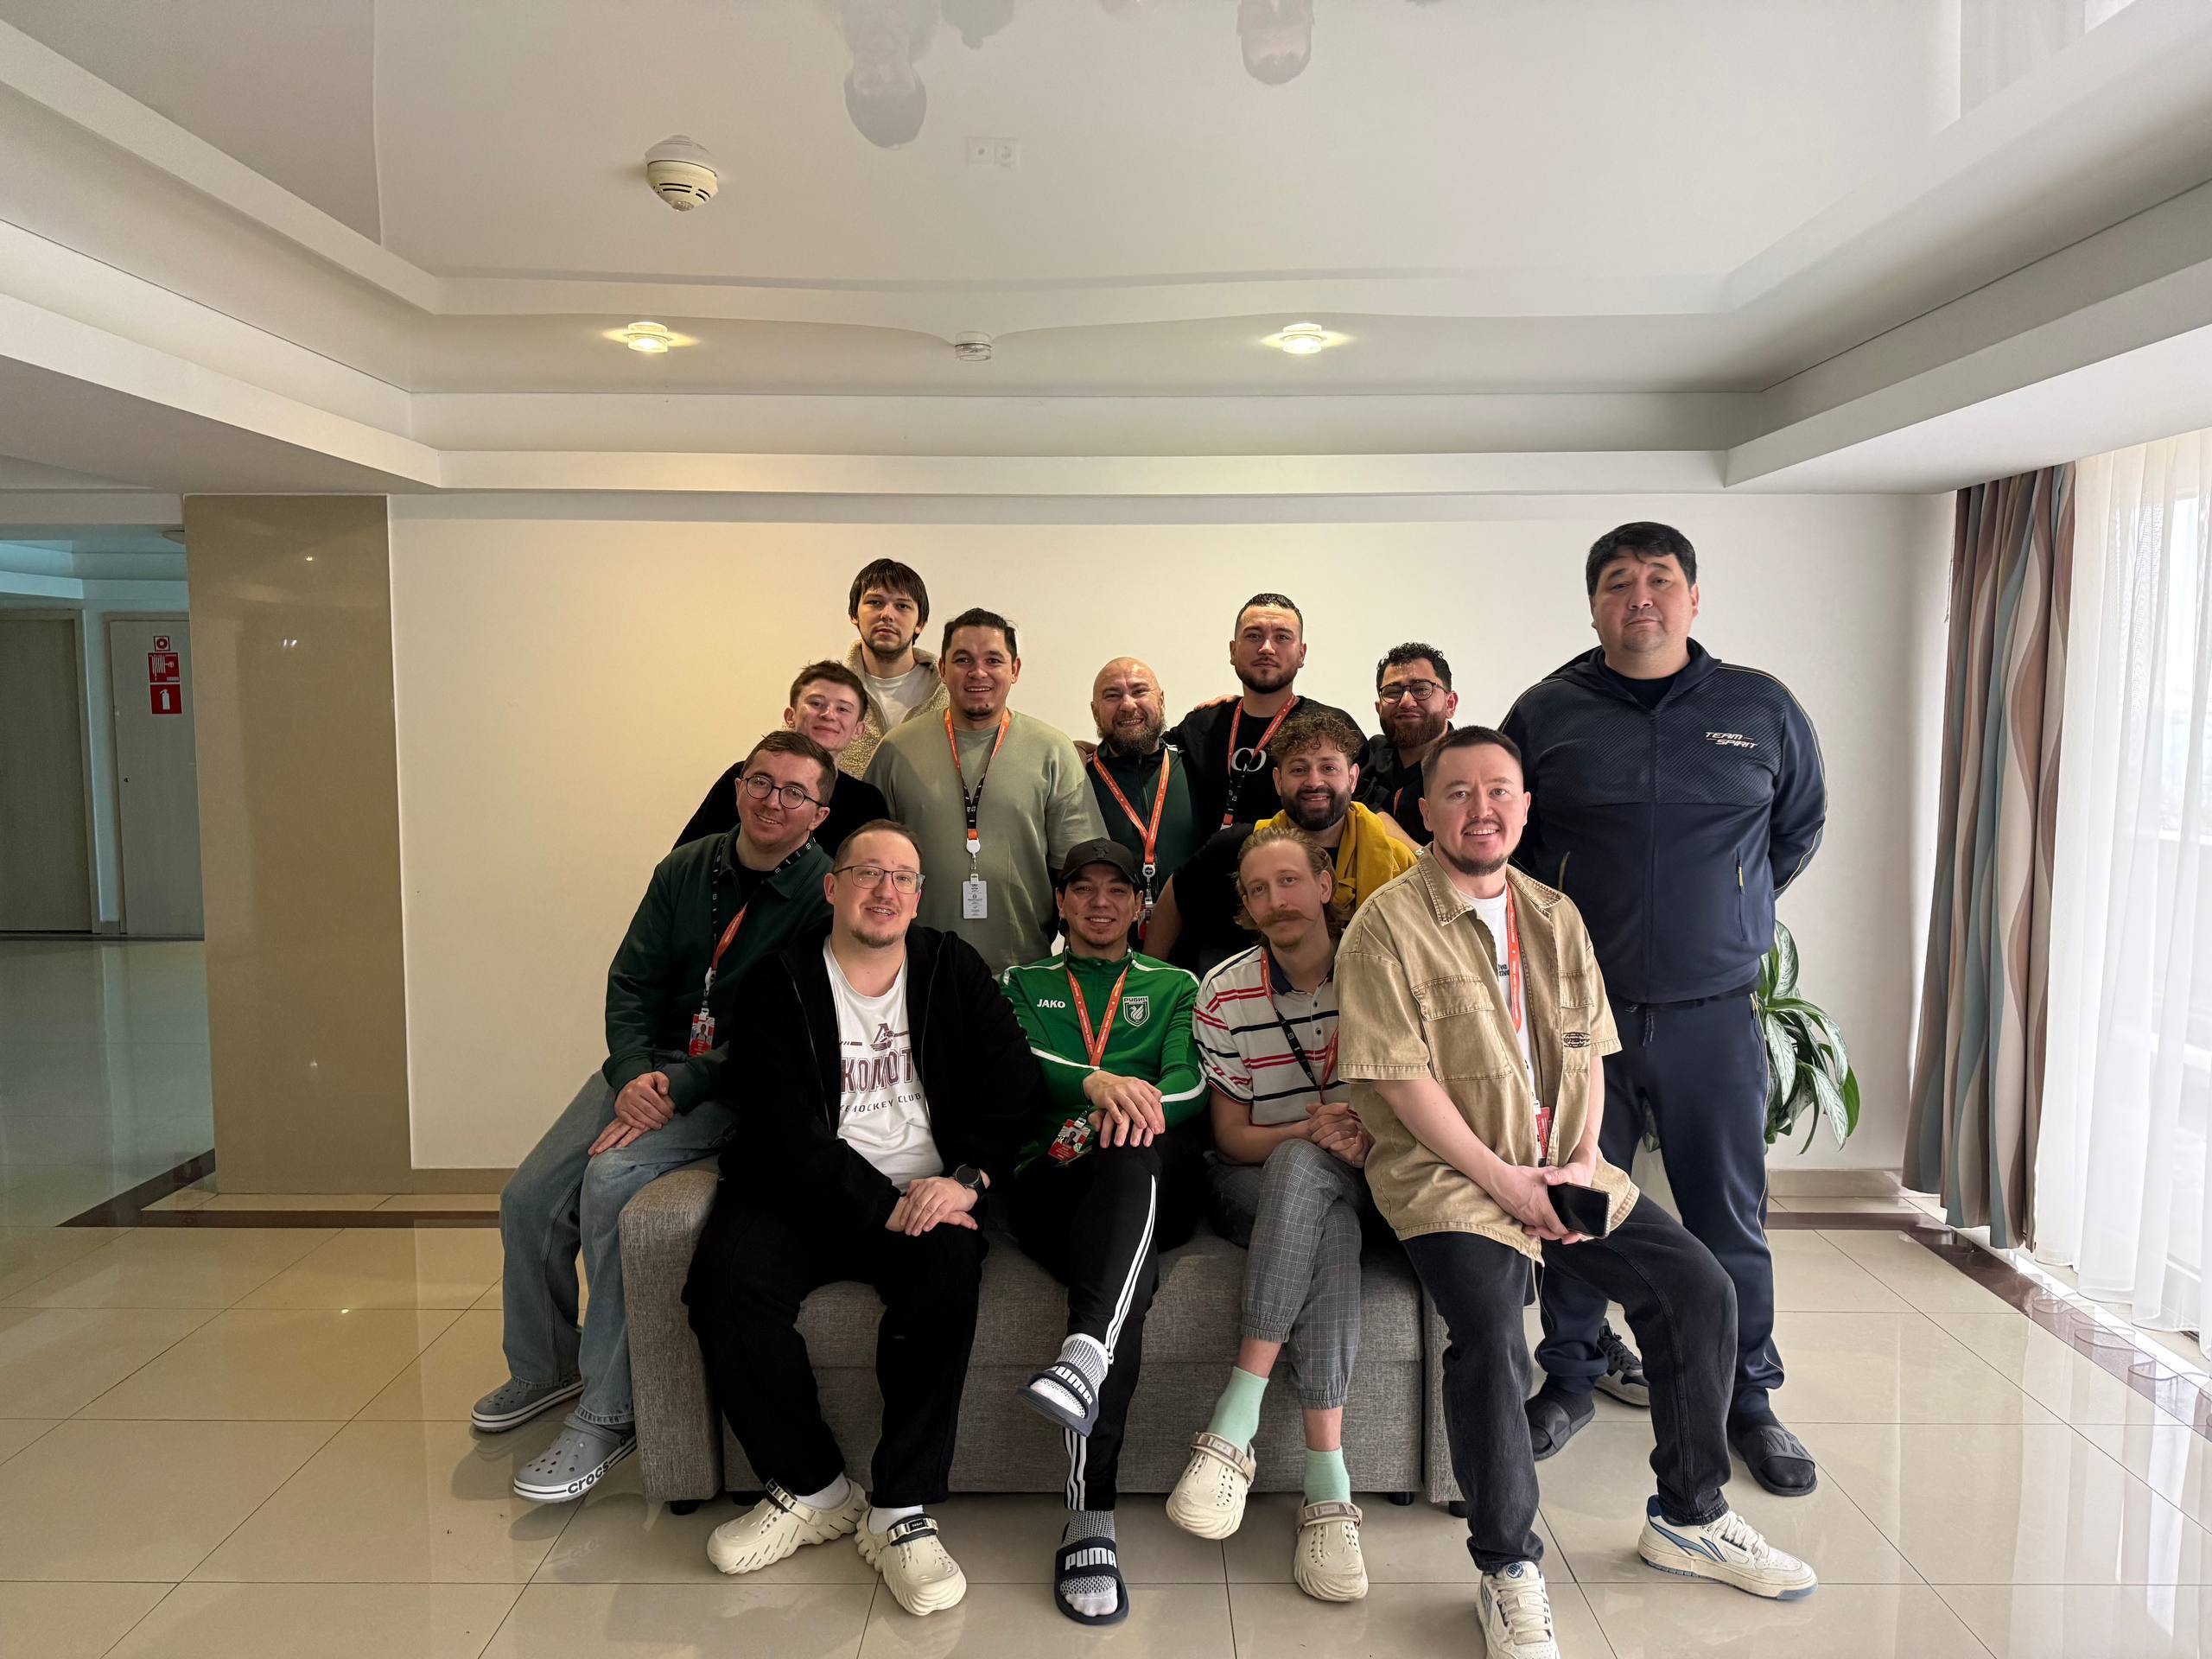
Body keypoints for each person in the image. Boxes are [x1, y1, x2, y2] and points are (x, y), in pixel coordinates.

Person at [1337, 727, 1816, 1658]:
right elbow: (1399, 1081)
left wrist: (1579, 1161)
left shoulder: (1555, 915)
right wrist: (1505, 1182)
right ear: (1425, 810)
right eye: (1459, 793)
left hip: (1562, 1164)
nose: (1482, 809)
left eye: (1500, 791)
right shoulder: (1384, 926)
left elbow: (1591, 1051)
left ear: (1525, 807)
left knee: (1698, 1289)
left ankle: (1689, 1516)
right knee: (1488, 1331)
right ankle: (1506, 1567)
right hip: (1450, 1177)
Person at [1503, 522, 1827, 1497]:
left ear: (1693, 596)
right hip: (1577, 1017)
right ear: (1593, 604)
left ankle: (1748, 1398)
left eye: (1658, 578)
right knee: (1573, 1201)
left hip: (1711, 1015)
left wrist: (1725, 909)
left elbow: (1795, 829)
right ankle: (1569, 1376)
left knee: (1729, 1215)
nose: (1639, 596)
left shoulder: (1759, 707)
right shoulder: (1548, 711)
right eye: (1617, 582)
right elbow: (1512, 845)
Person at [682, 820, 1038, 1617]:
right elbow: (780, 1127)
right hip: (803, 1192)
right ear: (832, 886)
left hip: (928, 1188)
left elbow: (1011, 1080)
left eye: (902, 877)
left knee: (947, 1273)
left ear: (919, 895)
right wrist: (884, 1208)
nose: (885, 890)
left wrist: (967, 1182)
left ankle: (898, 1510)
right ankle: (814, 1489)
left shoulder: (951, 967)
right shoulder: (778, 980)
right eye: (868, 873)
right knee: (724, 1285)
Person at [478, 731, 838, 1504]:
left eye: (794, 792)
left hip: (735, 1081)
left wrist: (680, 1086)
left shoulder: (822, 893)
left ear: (819, 815)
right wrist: (633, 1072)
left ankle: (611, 1409)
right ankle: (546, 1368)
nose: (772, 801)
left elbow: (784, 1029)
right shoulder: (686, 867)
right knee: (528, 1197)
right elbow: (631, 980)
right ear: (738, 785)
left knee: (611, 1180)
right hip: (645, 1068)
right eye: (760, 781)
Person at [999, 839, 1206, 1627]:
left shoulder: (1175, 984)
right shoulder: (1020, 983)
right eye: (1081, 889)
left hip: (1148, 1175)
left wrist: (1124, 1113)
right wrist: (1096, 1086)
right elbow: (1017, 1065)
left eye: (1116, 890)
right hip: (1048, 1186)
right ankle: (1091, 1508)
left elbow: (1190, 1080)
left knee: (1131, 1150)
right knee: (1125, 1281)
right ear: (1060, 903)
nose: (1098, 903)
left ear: (1139, 905)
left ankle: (1086, 1371)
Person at [1166, 823, 1376, 1602]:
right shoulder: (1223, 992)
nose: (1275, 900)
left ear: (1324, 886)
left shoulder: (1378, 968)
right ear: (1247, 909)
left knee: (1331, 1199)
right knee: (1313, 1195)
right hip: (1255, 1175)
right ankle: (1328, 1490)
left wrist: (1363, 1135)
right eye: (1258, 891)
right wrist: (1310, 1134)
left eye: (1289, 881)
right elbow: (1231, 1137)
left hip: (1371, 1169)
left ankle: (1234, 1426)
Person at [866, 607, 1106, 974]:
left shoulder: (1052, 751)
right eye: (963, 659)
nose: (978, 672)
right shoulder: (897, 750)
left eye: (993, 660)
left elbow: (1081, 871)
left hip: (1024, 971)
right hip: (915, 968)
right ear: (942, 669)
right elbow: (866, 864)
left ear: (1015, 669)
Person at [1147, 706, 1414, 976]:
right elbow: (1176, 894)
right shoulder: (1240, 847)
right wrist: (1152, 979)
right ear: (1278, 781)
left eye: (1328, 768)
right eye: (1299, 769)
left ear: (1353, 778)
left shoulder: (1398, 860)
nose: (1314, 782)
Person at [1166, 594, 1365, 834]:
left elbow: (1369, 811)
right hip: (1208, 858)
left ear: (1301, 654)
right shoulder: (1202, 725)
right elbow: (1143, 754)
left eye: (1282, 637)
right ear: (1233, 650)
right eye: (1253, 636)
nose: (1267, 648)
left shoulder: (1333, 727)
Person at [673, 661, 888, 855]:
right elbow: (686, 861)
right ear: (790, 716)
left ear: (859, 730)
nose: (828, 715)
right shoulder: (747, 778)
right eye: (816, 703)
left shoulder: (866, 802)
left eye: (842, 709)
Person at [1084, 657, 1202, 923]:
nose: (1128, 705)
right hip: (1107, 937)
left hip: (1195, 938)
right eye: (1112, 695)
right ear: (1095, 712)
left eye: (1139, 691)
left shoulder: (1197, 765)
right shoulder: (1078, 779)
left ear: (1161, 700)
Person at [841, 558, 948, 778]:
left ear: (920, 623)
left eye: (902, 606)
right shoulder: (826, 689)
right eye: (875, 602)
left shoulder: (949, 691)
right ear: (854, 614)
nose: (887, 615)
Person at [1355, 642, 1459, 847]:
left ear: (1450, 704)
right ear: (1378, 707)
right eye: (1393, 692)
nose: (1406, 701)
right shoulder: (1370, 756)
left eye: (1421, 689)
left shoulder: (1471, 770)